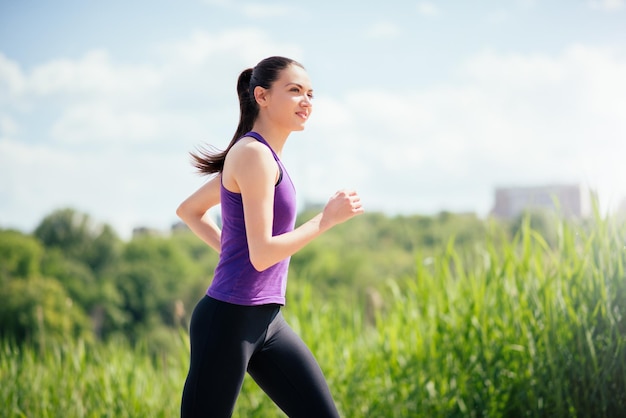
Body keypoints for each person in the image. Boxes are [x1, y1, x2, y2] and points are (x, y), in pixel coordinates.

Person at [177, 56, 364, 417]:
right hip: (228, 319)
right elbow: (261, 254)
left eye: (310, 93)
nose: (306, 101)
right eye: (294, 91)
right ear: (261, 96)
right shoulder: (252, 154)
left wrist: (231, 251)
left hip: (266, 321)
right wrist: (324, 221)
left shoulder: (262, 157)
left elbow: (189, 212)